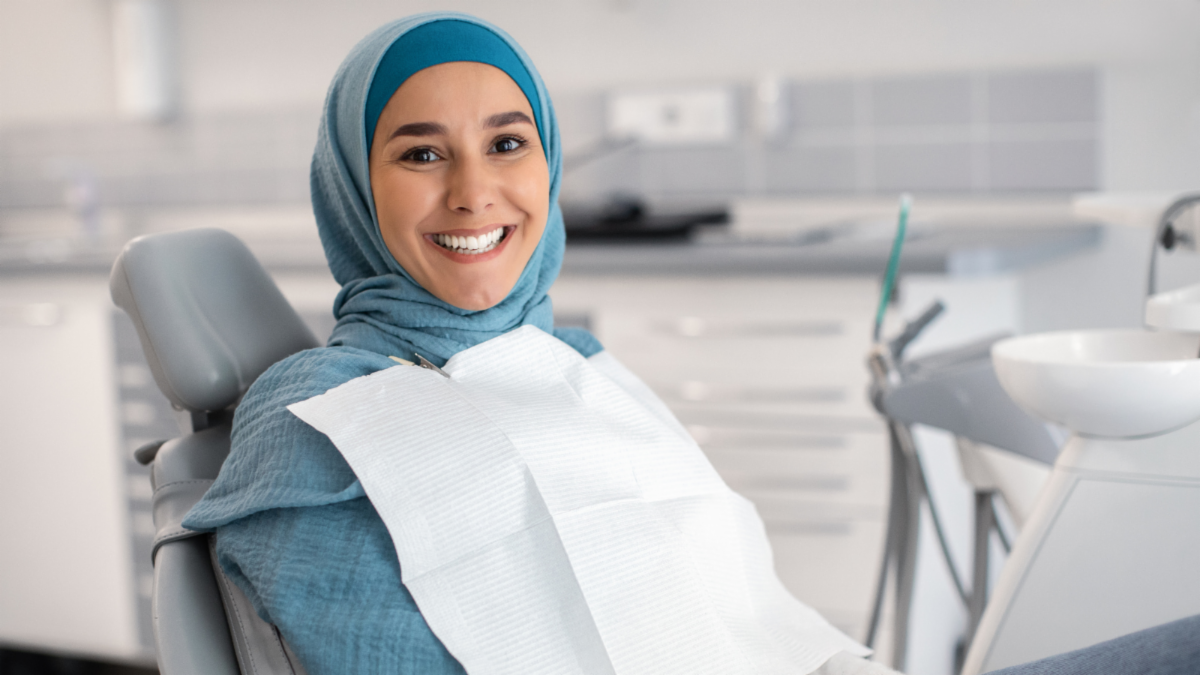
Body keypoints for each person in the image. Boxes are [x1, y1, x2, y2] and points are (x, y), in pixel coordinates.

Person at [182, 12, 1199, 675]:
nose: (473, 191)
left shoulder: (576, 369)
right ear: (352, 186)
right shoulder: (316, 417)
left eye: (506, 142)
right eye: (418, 153)